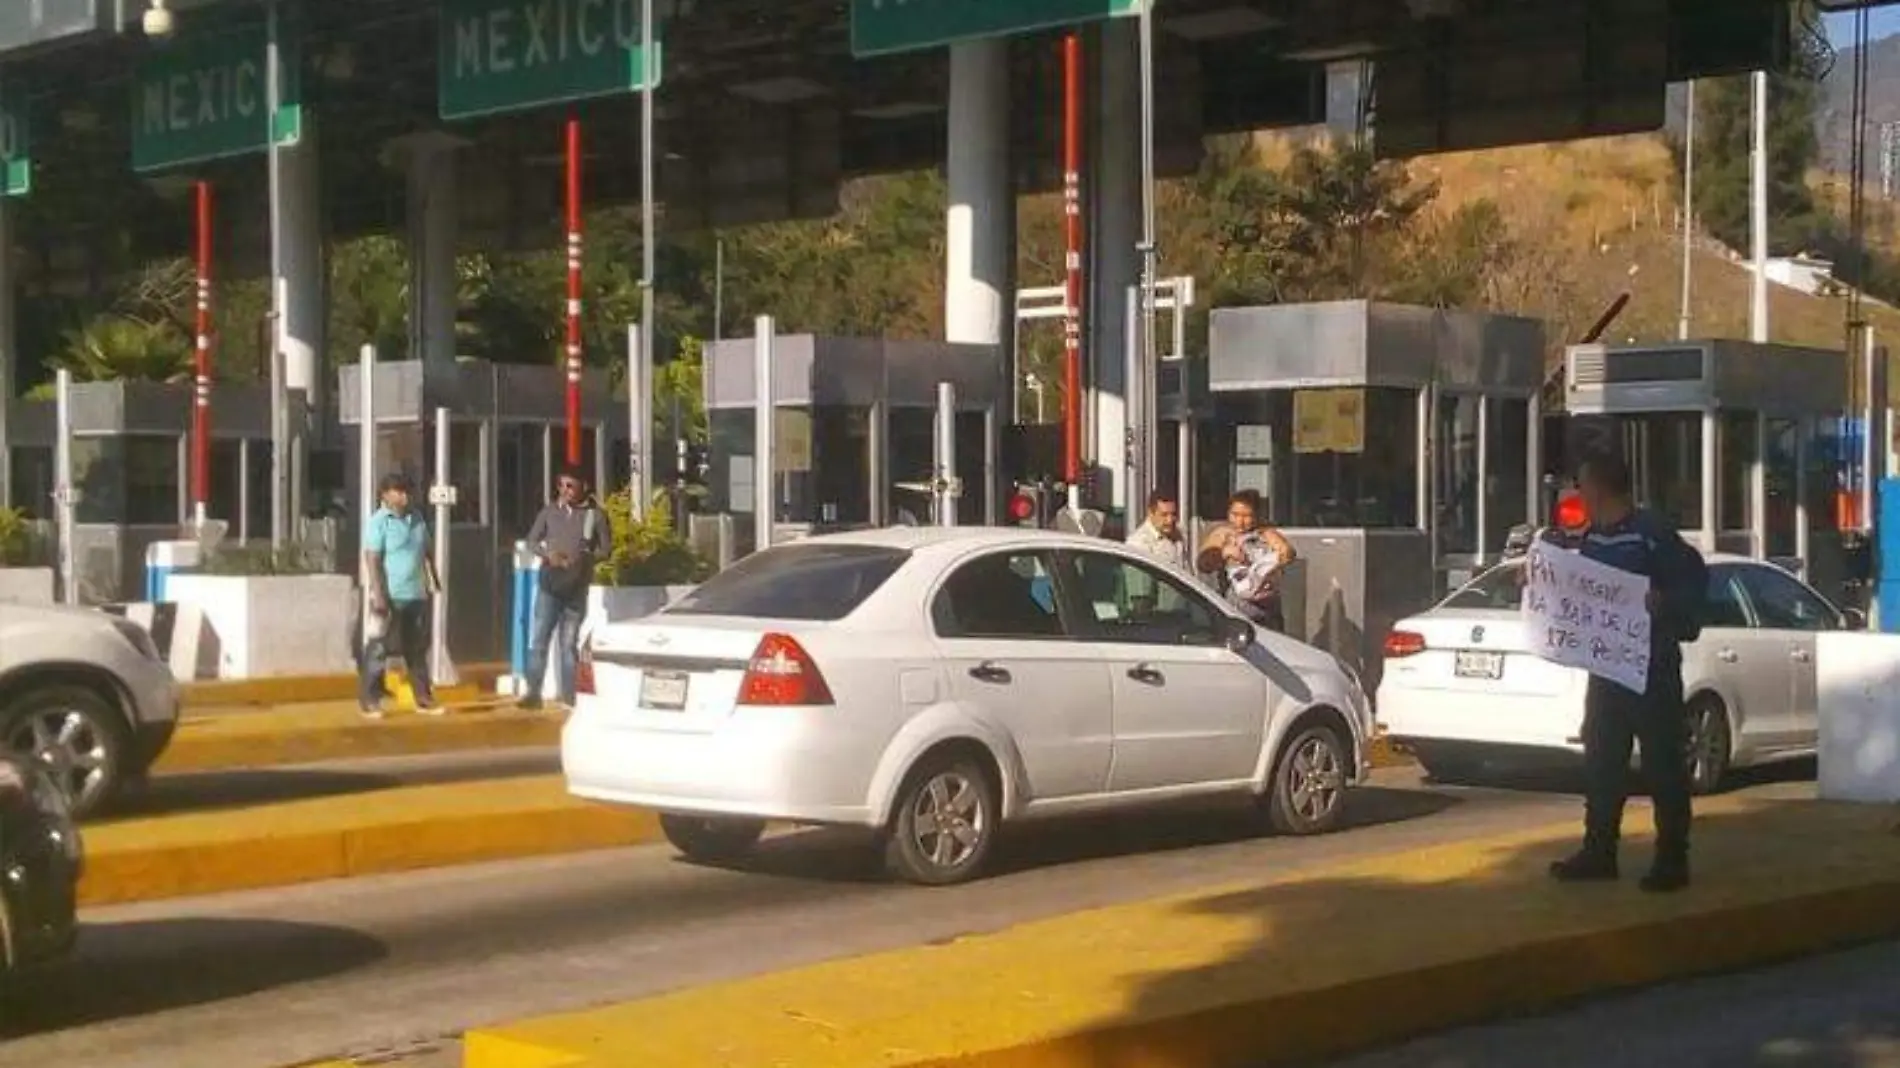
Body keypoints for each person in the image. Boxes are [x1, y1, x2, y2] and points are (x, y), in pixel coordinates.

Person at [1548, 451, 1706, 894]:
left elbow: (1691, 584)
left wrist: (1665, 603)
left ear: (1599, 488)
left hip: (1650, 669)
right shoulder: (1595, 537)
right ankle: (1599, 851)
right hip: (1607, 669)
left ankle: (1672, 859)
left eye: (1582, 484)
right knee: (1601, 759)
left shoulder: (1651, 534)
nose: (1579, 494)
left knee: (1662, 764)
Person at [520, 467, 612, 711]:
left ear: (583, 487)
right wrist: (547, 554)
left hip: (576, 587)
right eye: (561, 486)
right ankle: (533, 693)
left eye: (570, 486)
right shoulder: (550, 512)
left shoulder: (596, 515)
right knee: (539, 639)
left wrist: (584, 558)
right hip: (549, 584)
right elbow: (531, 541)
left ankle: (570, 698)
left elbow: (606, 549)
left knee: (568, 643)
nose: (565, 491)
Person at [360, 473, 439, 719]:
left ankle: (423, 698)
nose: (404, 496)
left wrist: (432, 581)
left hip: (415, 594)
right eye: (398, 491)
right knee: (379, 648)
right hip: (389, 595)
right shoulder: (379, 522)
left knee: (416, 648)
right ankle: (370, 699)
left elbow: (426, 551)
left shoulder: (416, 519)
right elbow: (372, 559)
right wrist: (379, 595)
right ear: (385, 495)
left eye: (406, 491)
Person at [1196, 489, 1297, 633]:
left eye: (1246, 516)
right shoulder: (1222, 534)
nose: (1240, 522)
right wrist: (1223, 553)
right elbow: (1202, 564)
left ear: (1256, 515)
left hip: (1267, 607)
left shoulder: (1265, 533)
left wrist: (1277, 558)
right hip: (1236, 607)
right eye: (1235, 515)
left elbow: (1289, 552)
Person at [1126, 489, 1189, 570]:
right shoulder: (1138, 543)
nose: (1170, 520)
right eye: (1164, 515)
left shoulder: (1178, 534)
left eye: (1173, 514)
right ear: (1150, 513)